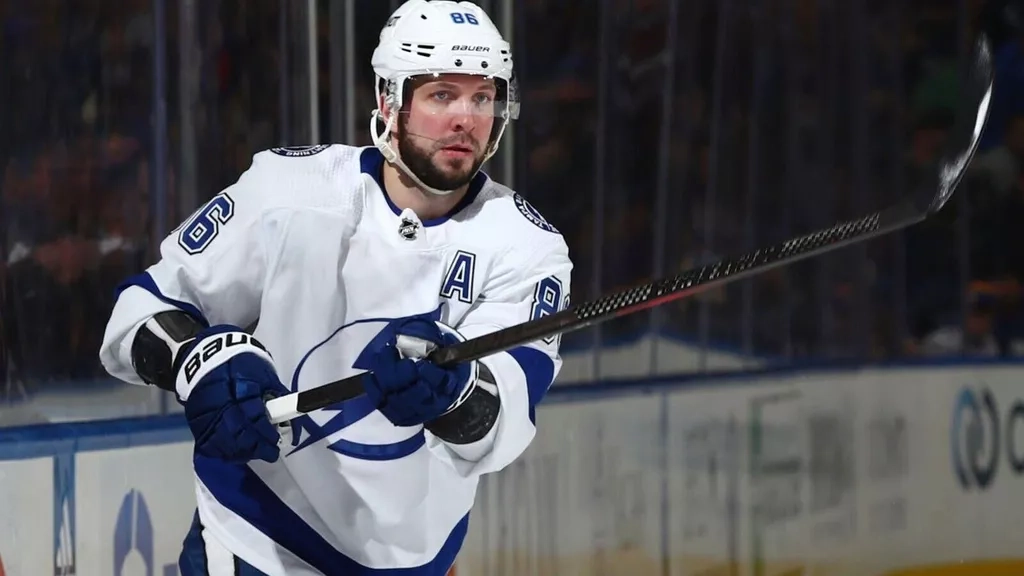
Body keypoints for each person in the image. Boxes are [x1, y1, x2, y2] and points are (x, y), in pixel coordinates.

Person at [98, 1, 572, 574]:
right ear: (388, 101)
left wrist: (454, 392)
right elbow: (139, 311)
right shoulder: (289, 189)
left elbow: (504, 417)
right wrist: (197, 362)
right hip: (255, 537)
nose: (465, 119)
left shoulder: (525, 245)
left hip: (409, 560)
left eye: (482, 97)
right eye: (442, 94)